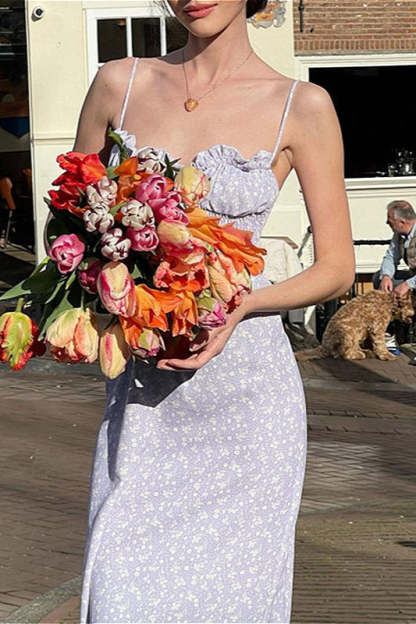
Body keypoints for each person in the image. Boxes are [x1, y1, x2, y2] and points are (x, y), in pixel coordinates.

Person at [73, 1, 354, 622]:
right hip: (147, 391)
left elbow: (337, 267)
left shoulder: (301, 105)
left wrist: (243, 303)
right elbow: (69, 227)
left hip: (249, 402)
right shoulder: (119, 84)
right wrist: (117, 283)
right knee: (121, 597)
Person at [373, 200, 416, 350]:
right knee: (378, 278)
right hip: (413, 276)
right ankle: (389, 332)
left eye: (390, 220)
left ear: (402, 222)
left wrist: (408, 284)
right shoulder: (399, 235)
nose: (387, 223)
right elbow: (391, 257)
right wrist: (386, 276)